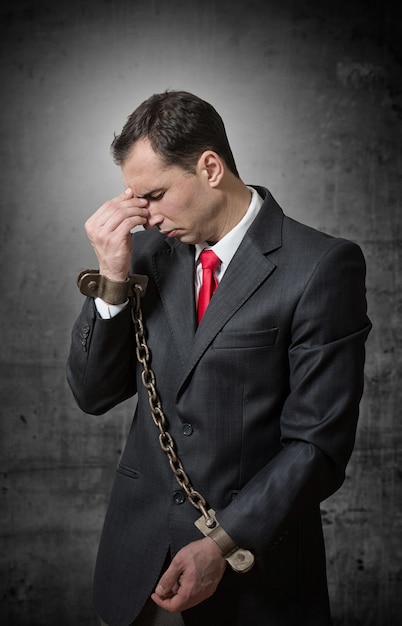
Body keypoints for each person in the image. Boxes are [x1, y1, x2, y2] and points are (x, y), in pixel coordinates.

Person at [67, 90, 371, 626]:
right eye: (136, 200)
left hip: (259, 576)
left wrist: (222, 544)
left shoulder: (320, 266)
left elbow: (317, 445)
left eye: (155, 195)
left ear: (210, 167)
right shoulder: (141, 258)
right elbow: (92, 394)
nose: (145, 217)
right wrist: (111, 282)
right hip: (136, 566)